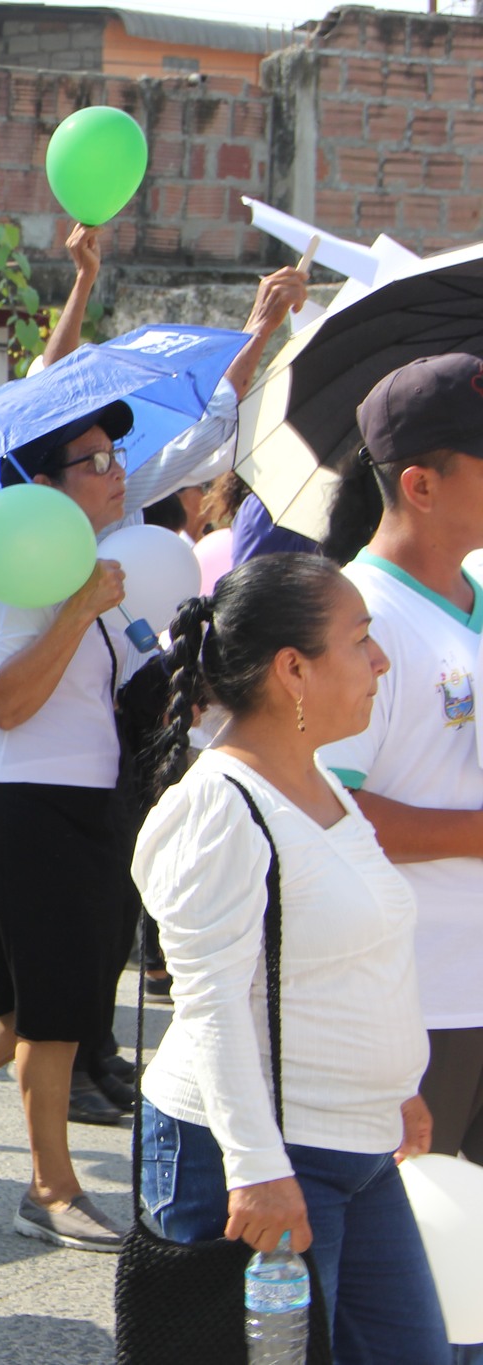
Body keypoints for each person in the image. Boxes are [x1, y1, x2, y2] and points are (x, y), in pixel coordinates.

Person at [0, 264, 311, 1253]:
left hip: (83, 790)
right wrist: (77, 611)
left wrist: (256, 331)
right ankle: (48, 1189)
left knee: (48, 996)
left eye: (115, 453)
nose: (118, 470)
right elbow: (2, 700)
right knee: (55, 1007)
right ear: (44, 482)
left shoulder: (102, 533)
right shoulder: (17, 561)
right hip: (17, 795)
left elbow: (199, 440)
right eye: (95, 458)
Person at [133, 552, 447, 1359]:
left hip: (357, 1143)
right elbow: (211, 1005)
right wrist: (255, 1169)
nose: (380, 660)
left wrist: (395, 1088)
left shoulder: (317, 782)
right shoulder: (221, 807)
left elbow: (354, 952)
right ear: (293, 669)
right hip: (262, 1152)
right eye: (361, 639)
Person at [315, 355, 483, 1181]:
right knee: (420, 1230)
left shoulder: (472, 591)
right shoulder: (356, 619)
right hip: (420, 1002)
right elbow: (326, 812)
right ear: (420, 485)